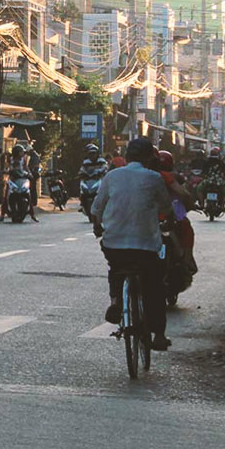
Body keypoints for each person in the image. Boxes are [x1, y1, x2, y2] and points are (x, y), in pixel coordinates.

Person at [92, 137, 174, 352]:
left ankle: (116, 301)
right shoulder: (154, 178)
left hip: (115, 244)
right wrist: (169, 221)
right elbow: (166, 207)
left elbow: (97, 208)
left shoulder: (112, 176)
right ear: (149, 158)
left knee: (116, 267)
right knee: (154, 285)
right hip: (145, 246)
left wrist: (97, 227)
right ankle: (159, 335)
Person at [1, 144, 38, 221]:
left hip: (22, 179)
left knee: (29, 195)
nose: (23, 154)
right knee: (5, 196)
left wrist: (30, 173)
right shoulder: (10, 159)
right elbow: (7, 167)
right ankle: (2, 215)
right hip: (12, 180)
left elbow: (25, 167)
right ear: (17, 153)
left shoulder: (23, 159)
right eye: (21, 152)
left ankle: (32, 214)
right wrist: (7, 171)